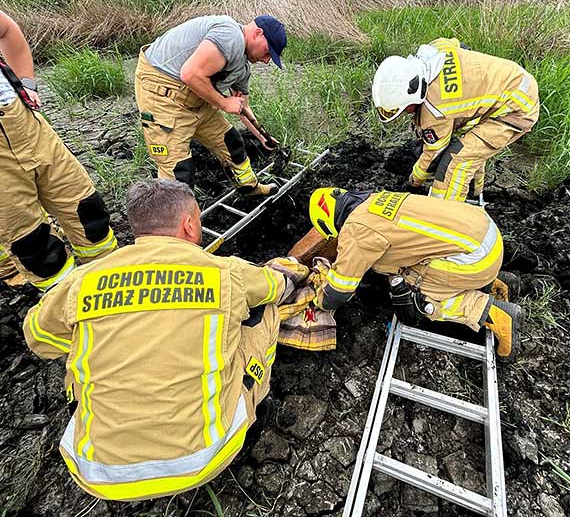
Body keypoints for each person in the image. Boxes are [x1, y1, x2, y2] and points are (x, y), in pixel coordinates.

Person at [22, 178, 304, 501]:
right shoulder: (225, 272)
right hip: (204, 458)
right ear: (188, 225)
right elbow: (277, 287)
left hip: (97, 472)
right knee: (266, 313)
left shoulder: (83, 280)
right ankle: (257, 403)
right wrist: (291, 274)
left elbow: (37, 337)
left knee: (78, 352)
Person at [308, 187, 524, 359]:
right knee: (420, 252)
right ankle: (491, 282)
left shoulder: (356, 231)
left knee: (410, 290)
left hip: (476, 260)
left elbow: (339, 291)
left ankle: (495, 315)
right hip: (489, 237)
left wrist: (318, 299)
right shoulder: (375, 199)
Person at [0, 10, 117, 290]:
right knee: (34, 244)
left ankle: (111, 279)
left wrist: (26, 84)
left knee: (87, 210)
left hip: (23, 119)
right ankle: (67, 302)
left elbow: (7, 31)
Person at [135, 14, 287, 196]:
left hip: (197, 99)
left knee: (232, 142)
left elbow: (242, 107)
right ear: (258, 33)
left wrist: (262, 136)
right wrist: (224, 103)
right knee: (179, 172)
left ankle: (250, 187)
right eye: (268, 52)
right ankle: (176, 222)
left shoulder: (242, 68)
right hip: (163, 94)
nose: (266, 60)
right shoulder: (230, 35)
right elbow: (190, 74)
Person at [372, 38, 539, 202]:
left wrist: (413, 183)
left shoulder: (435, 110)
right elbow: (460, 45)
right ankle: (473, 195)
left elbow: (434, 155)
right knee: (471, 149)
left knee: (456, 162)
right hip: (512, 81)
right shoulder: (435, 50)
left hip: (517, 108)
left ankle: (444, 216)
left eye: (405, 109)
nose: (405, 114)